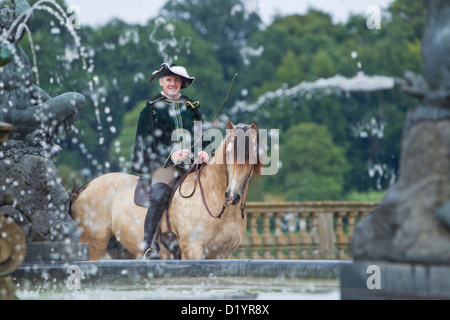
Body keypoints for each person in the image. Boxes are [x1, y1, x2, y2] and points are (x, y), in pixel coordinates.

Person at [132, 63, 209, 260]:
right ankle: (149, 246)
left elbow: (202, 136)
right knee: (158, 196)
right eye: (169, 80)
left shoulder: (192, 108)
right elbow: (145, 143)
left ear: (181, 83)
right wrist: (171, 155)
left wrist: (204, 152)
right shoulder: (150, 110)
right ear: (161, 82)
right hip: (163, 165)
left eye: (176, 80)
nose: (173, 83)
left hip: (192, 165)